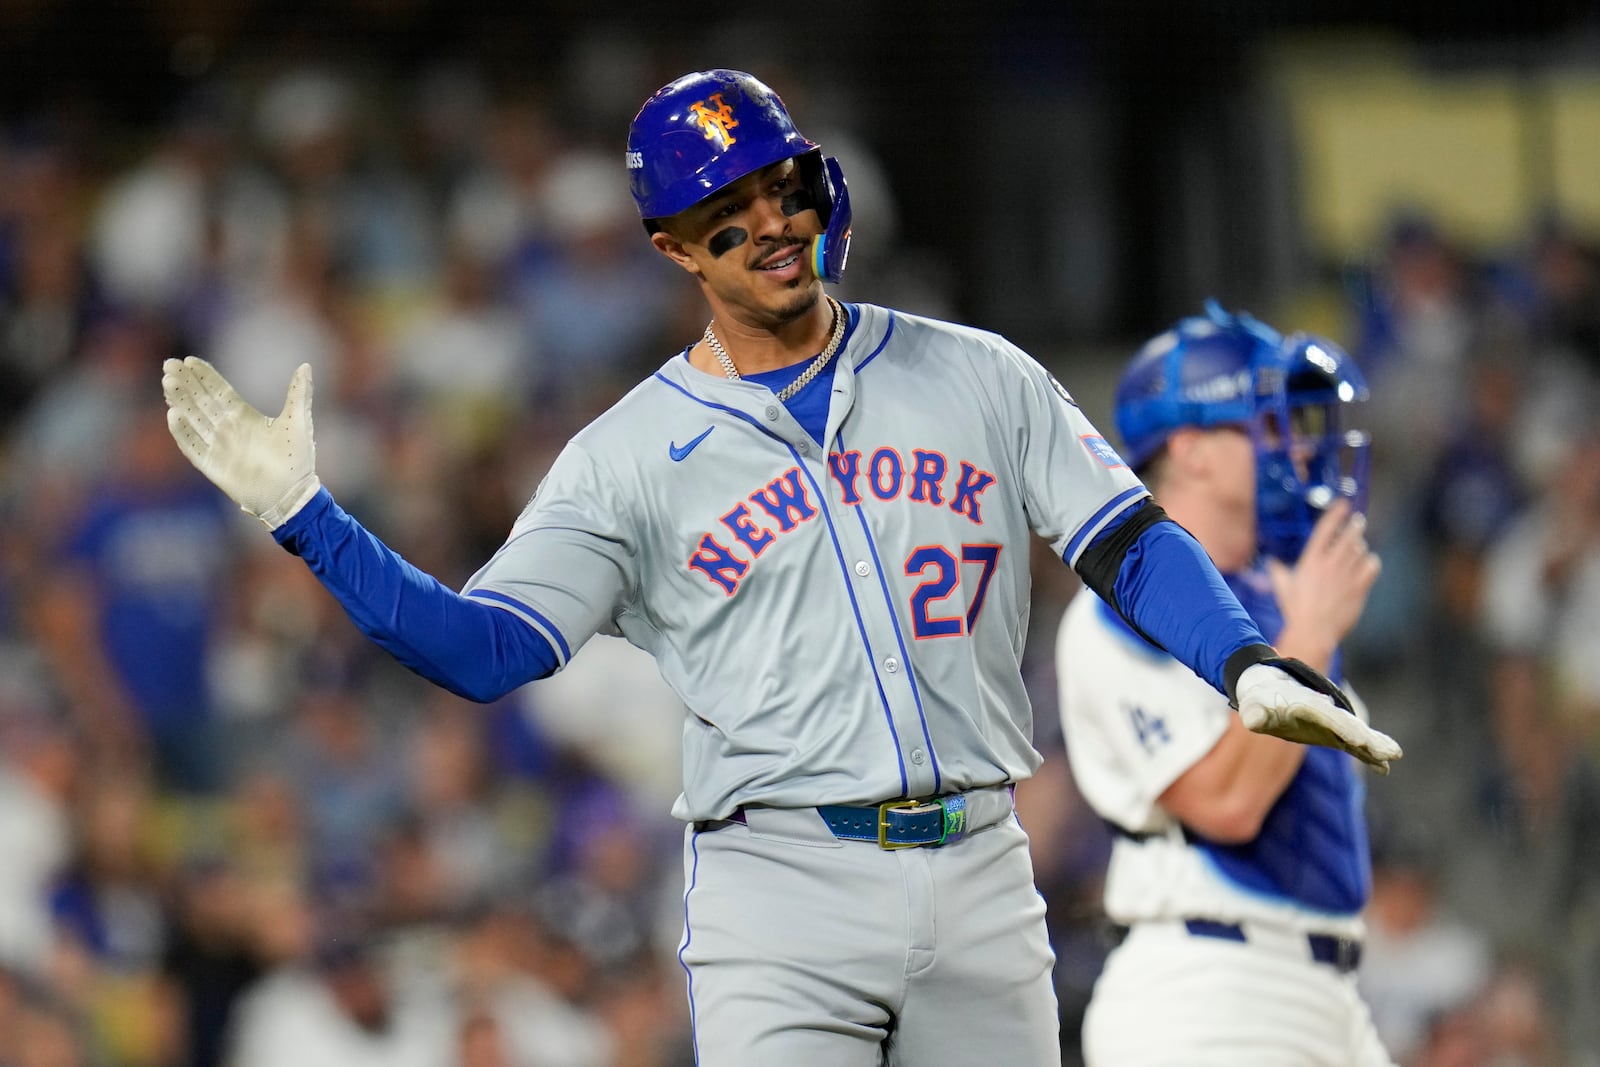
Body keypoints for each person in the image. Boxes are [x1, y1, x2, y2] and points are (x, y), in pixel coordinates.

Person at [160, 71, 1400, 1066]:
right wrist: (307, 515)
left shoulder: (978, 371)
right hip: (781, 884)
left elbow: (1126, 537)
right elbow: (484, 650)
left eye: (781, 183)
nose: (771, 225)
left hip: (979, 860)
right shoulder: (626, 458)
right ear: (672, 248)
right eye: (726, 213)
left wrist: (1238, 657)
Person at [1055, 302, 1397, 1065]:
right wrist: (1308, 636)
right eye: (1265, 423)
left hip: (1320, 990)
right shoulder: (1118, 611)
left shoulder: (1278, 592)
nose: (1300, 450)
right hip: (1208, 990)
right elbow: (1227, 803)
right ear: (1191, 448)